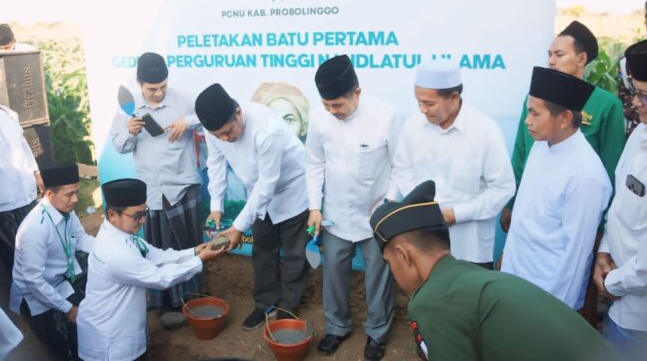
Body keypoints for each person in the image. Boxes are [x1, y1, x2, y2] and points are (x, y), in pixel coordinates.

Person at [370, 180, 620, 361]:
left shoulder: (433, 299)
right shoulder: (469, 277)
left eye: (390, 263)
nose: (393, 273)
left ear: (404, 255)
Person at [306, 55, 400, 360]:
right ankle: (337, 326)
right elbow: (314, 163)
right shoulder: (320, 118)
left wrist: (389, 206)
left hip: (376, 215)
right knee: (333, 272)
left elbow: (401, 166)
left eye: (338, 106)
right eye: (327, 105)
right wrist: (314, 207)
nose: (332, 112)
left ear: (356, 93)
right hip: (334, 213)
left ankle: (378, 333)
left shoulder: (386, 116)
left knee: (378, 277)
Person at [195, 83, 310, 330]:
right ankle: (265, 301)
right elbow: (215, 162)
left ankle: (287, 307)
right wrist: (216, 206)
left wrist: (237, 227)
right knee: (263, 250)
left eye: (228, 132)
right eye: (219, 136)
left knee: (294, 254)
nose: (225, 139)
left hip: (291, 191)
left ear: (238, 112)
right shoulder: (214, 129)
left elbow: (267, 184)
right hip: (258, 196)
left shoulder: (267, 130)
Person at [501, 67, 612, 310]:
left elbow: (576, 257)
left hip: (547, 296)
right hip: (515, 279)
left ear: (564, 119)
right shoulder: (541, 145)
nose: (526, 121)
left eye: (534, 114)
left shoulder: (587, 176)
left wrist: (557, 313)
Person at [77, 178, 225, 361]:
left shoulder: (124, 234)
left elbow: (157, 256)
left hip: (123, 331)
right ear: (112, 214)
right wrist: (201, 259)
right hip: (110, 342)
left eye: (145, 212)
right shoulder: (114, 250)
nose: (144, 220)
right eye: (137, 215)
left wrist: (195, 251)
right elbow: (159, 278)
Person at [388, 60, 515, 268]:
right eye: (418, 102)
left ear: (454, 97)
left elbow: (503, 188)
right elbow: (402, 169)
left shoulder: (485, 131)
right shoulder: (412, 126)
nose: (422, 109)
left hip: (470, 249)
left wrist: (457, 214)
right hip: (424, 246)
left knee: (470, 300)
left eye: (429, 103)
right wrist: (422, 206)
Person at [503, 20, 625, 231]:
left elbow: (611, 169)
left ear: (581, 58)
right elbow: (521, 151)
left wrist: (602, 228)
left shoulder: (607, 105)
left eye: (559, 55)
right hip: (530, 203)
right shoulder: (535, 99)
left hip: (574, 212)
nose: (551, 61)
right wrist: (511, 203)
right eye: (549, 55)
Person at [110, 52, 204, 309]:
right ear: (139, 82)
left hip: (183, 186)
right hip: (152, 190)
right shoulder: (127, 109)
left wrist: (190, 121)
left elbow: (211, 118)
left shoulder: (184, 101)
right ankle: (164, 304)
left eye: (163, 87)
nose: (159, 93)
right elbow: (119, 146)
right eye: (152, 89)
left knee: (188, 245)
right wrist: (130, 133)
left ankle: (192, 300)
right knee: (158, 247)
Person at [593, 39, 647, 360]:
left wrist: (611, 283)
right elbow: (621, 203)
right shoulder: (640, 132)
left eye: (643, 94)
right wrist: (605, 250)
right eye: (637, 92)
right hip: (619, 295)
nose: (636, 102)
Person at [9, 164, 94, 360]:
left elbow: (81, 239)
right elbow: (34, 281)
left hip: (60, 282)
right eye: (69, 194)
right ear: (49, 194)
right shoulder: (34, 230)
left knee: (81, 333)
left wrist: (110, 249)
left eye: (77, 192)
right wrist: (68, 308)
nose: (76, 199)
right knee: (62, 350)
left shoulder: (66, 211)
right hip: (36, 298)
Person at [0, 64, 43, 277]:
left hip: (25, 195)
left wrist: (35, 172)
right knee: (14, 261)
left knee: (34, 251)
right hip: (0, 204)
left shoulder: (8, 114)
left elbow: (23, 145)